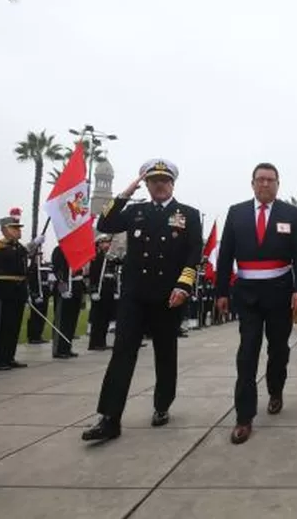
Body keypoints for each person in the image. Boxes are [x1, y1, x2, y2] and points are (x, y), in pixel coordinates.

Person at [82, 159, 202, 441]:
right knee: (122, 353)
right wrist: (125, 193)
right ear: (146, 185)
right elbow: (106, 222)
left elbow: (193, 252)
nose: (159, 185)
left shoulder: (187, 214)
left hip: (168, 296)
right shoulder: (135, 211)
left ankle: (162, 405)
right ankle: (109, 418)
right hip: (135, 296)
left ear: (172, 183)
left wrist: (184, 285)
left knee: (165, 352)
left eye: (164, 180)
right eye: (153, 181)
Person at [216, 162, 297, 445]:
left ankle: (276, 390)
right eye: (260, 179)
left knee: (278, 349)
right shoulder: (237, 212)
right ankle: (244, 417)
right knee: (247, 354)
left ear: (278, 184)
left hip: (280, 293)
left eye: (270, 180)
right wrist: (221, 291)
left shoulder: (290, 214)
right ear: (253, 183)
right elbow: (225, 255)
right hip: (247, 295)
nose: (265, 184)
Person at [0, 212, 43, 370]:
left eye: (19, 228)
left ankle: (9, 356)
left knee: (14, 326)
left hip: (18, 290)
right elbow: (11, 257)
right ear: (5, 230)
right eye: (14, 228)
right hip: (4, 289)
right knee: (3, 327)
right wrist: (32, 244)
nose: (18, 231)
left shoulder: (18, 247)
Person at [87, 235, 120, 351]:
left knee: (106, 317)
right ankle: (94, 343)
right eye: (104, 242)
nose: (107, 244)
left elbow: (115, 274)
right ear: (99, 244)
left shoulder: (110, 257)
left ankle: (102, 341)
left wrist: (115, 290)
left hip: (108, 289)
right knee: (98, 318)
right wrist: (94, 290)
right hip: (99, 290)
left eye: (108, 242)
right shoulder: (96, 257)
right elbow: (93, 275)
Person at [51, 245, 84, 359]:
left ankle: (67, 346)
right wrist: (63, 289)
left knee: (72, 320)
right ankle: (59, 349)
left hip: (76, 286)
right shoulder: (60, 250)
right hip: (65, 288)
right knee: (62, 320)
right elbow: (58, 271)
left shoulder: (75, 249)